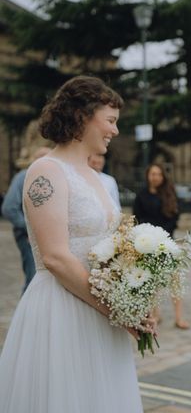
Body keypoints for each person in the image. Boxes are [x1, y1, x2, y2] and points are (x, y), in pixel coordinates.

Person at [0, 76, 150, 412]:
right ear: (83, 116)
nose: (115, 131)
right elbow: (54, 257)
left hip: (101, 311)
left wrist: (135, 298)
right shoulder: (46, 171)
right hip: (62, 309)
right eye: (110, 121)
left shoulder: (96, 177)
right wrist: (116, 309)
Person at [133, 163, 189, 329]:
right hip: (148, 243)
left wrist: (162, 235)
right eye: (152, 174)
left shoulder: (169, 194)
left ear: (162, 176)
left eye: (158, 174)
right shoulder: (141, 196)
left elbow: (174, 217)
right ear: (148, 176)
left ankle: (179, 317)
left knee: (175, 280)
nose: (155, 177)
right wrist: (148, 235)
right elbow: (137, 218)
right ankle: (155, 314)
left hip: (167, 242)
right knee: (152, 281)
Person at [1, 147, 51, 294]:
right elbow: (8, 207)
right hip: (28, 237)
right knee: (33, 280)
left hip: (44, 236)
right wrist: (29, 229)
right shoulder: (24, 176)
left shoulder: (49, 179)